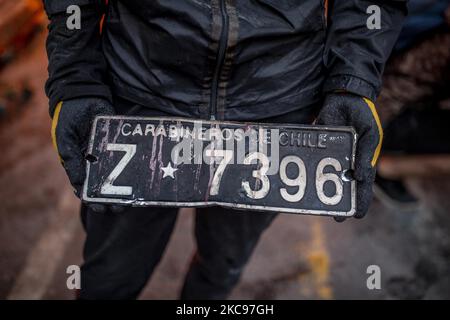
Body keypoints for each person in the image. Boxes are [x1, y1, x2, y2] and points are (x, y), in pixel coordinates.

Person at [43, 0, 407, 299]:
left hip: (276, 107)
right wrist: (76, 75)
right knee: (109, 274)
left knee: (223, 264)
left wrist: (353, 80)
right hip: (139, 93)